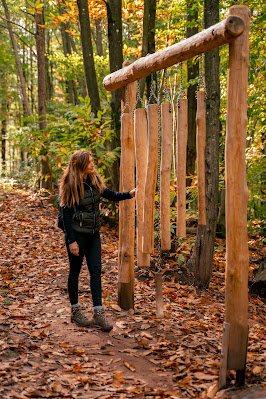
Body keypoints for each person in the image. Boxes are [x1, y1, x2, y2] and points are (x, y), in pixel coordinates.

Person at [59, 150, 135, 332]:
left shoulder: (94, 180)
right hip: (77, 235)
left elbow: (110, 194)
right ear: (80, 166)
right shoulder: (70, 184)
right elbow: (66, 216)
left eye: (92, 161)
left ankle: (98, 314)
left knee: (96, 272)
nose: (93, 165)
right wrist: (71, 241)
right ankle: (75, 311)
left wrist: (130, 194)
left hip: (93, 234)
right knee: (75, 272)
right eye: (89, 162)